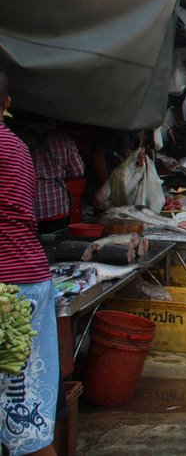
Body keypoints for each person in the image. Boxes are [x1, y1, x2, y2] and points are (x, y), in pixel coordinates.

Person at [0, 68, 60, 456]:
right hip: (32, 278)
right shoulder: (17, 145)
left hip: (6, 284)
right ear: (6, 104)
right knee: (27, 409)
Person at [27, 123, 85, 234]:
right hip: (57, 206)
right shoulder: (64, 140)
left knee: (30, 244)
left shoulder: (18, 139)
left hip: (29, 206)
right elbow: (78, 172)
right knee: (56, 243)